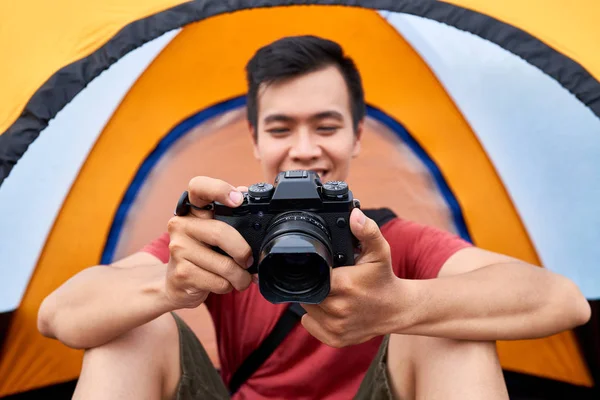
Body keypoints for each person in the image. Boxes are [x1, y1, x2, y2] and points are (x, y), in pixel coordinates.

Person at [37, 35, 591, 400]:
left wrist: (401, 304)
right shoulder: (226, 234)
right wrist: (168, 286)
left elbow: (562, 300)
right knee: (133, 327)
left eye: (326, 126)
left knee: (446, 325)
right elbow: (58, 315)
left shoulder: (388, 240)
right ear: (254, 140)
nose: (304, 150)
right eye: (281, 129)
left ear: (357, 135)